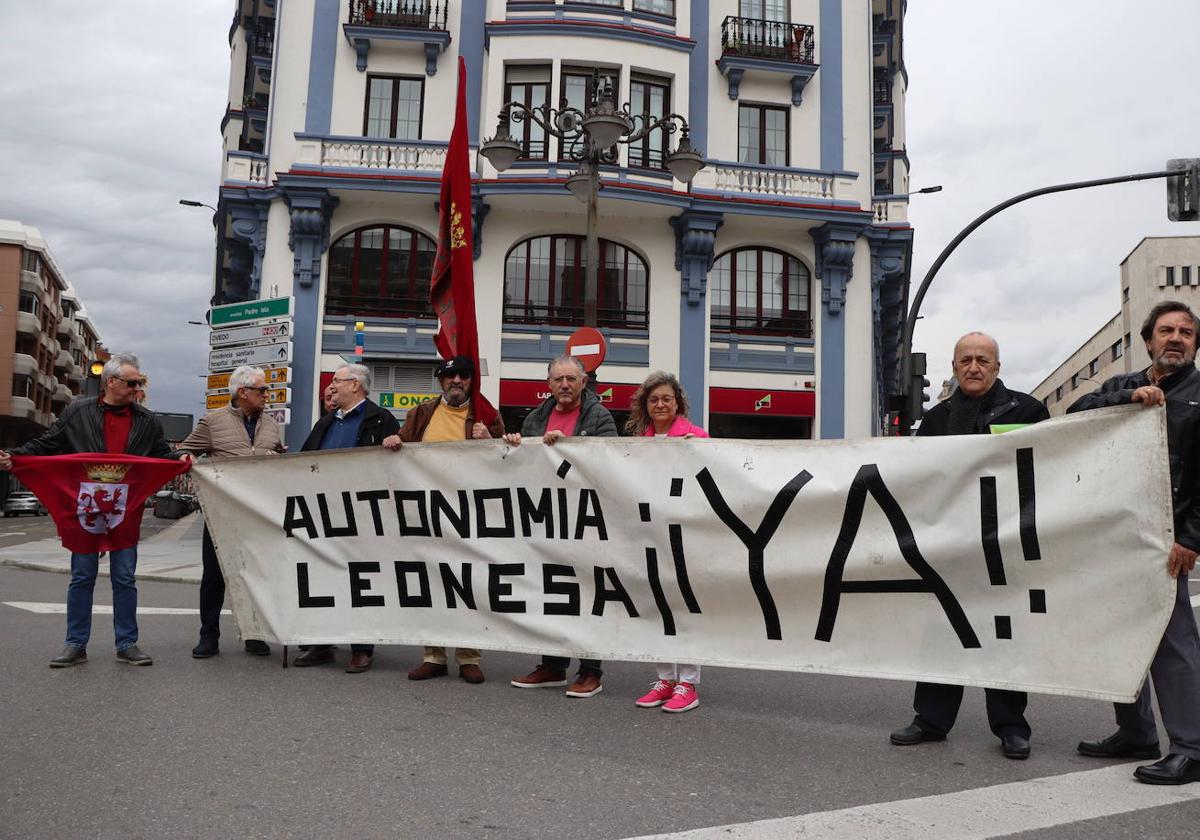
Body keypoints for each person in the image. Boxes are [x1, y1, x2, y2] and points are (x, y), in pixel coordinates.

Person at [889, 332, 1048, 759]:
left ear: (998, 367)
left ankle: (1012, 726)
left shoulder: (1030, 411)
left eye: (983, 360)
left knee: (1005, 636)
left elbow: (1042, 470)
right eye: (965, 360)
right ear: (954, 367)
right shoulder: (935, 420)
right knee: (942, 633)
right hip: (951, 546)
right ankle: (931, 720)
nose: (974, 367)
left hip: (1006, 543)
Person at [1068, 300, 1200, 785]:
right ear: (1148, 340)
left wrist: (1191, 538)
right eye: (1167, 330)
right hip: (1112, 533)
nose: (1176, 338)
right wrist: (1124, 400)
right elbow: (1074, 416)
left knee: (1173, 642)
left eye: (1186, 332)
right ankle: (1136, 732)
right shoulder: (1119, 385)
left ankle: (1191, 746)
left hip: (1167, 541)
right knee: (1119, 634)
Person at [0, 353, 188, 668]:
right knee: (82, 576)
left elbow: (162, 455)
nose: (137, 388)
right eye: (132, 382)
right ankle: (75, 644)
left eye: (139, 382)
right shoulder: (77, 412)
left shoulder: (147, 420)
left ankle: (127, 643)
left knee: (125, 577)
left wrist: (180, 458)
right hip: (85, 507)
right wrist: (15, 456)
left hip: (125, 510)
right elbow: (48, 444)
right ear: (110, 382)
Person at [381, 356, 505, 684]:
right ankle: (433, 655)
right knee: (430, 584)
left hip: (469, 517)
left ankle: (468, 656)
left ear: (470, 381)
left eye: (463, 376)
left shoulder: (486, 415)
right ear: (441, 381)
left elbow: (505, 465)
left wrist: (488, 442)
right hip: (428, 516)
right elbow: (401, 450)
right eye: (450, 376)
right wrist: (394, 441)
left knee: (468, 585)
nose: (457, 381)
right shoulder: (421, 413)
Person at [503, 355, 617, 698]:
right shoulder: (536, 417)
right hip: (547, 520)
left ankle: (590, 670)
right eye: (558, 379)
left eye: (571, 379)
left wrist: (571, 448)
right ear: (548, 384)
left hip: (586, 519)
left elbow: (613, 459)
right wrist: (515, 445)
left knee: (588, 594)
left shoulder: (599, 415)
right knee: (551, 593)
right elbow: (523, 466)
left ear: (583, 382)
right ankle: (552, 665)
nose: (564, 385)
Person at [293, 363, 400, 674]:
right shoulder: (325, 422)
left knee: (361, 580)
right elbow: (303, 460)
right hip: (324, 515)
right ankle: (323, 643)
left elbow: (396, 468)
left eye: (336, 381)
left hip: (363, 516)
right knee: (324, 578)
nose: (331, 387)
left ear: (356, 385)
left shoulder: (382, 420)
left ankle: (361, 647)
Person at [176, 365, 285, 659]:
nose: (267, 395)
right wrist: (186, 457)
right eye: (262, 390)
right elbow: (183, 450)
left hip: (258, 516)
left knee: (256, 575)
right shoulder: (213, 422)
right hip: (220, 515)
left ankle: (254, 634)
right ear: (242, 392)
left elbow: (278, 455)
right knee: (214, 576)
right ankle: (208, 636)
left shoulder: (272, 424)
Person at [625, 371, 709, 714]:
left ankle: (688, 681)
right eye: (654, 399)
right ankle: (665, 678)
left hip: (685, 534)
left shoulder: (696, 437)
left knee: (684, 606)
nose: (660, 404)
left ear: (678, 404)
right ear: (646, 405)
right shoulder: (638, 441)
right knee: (657, 606)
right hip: (650, 533)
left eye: (667, 399)